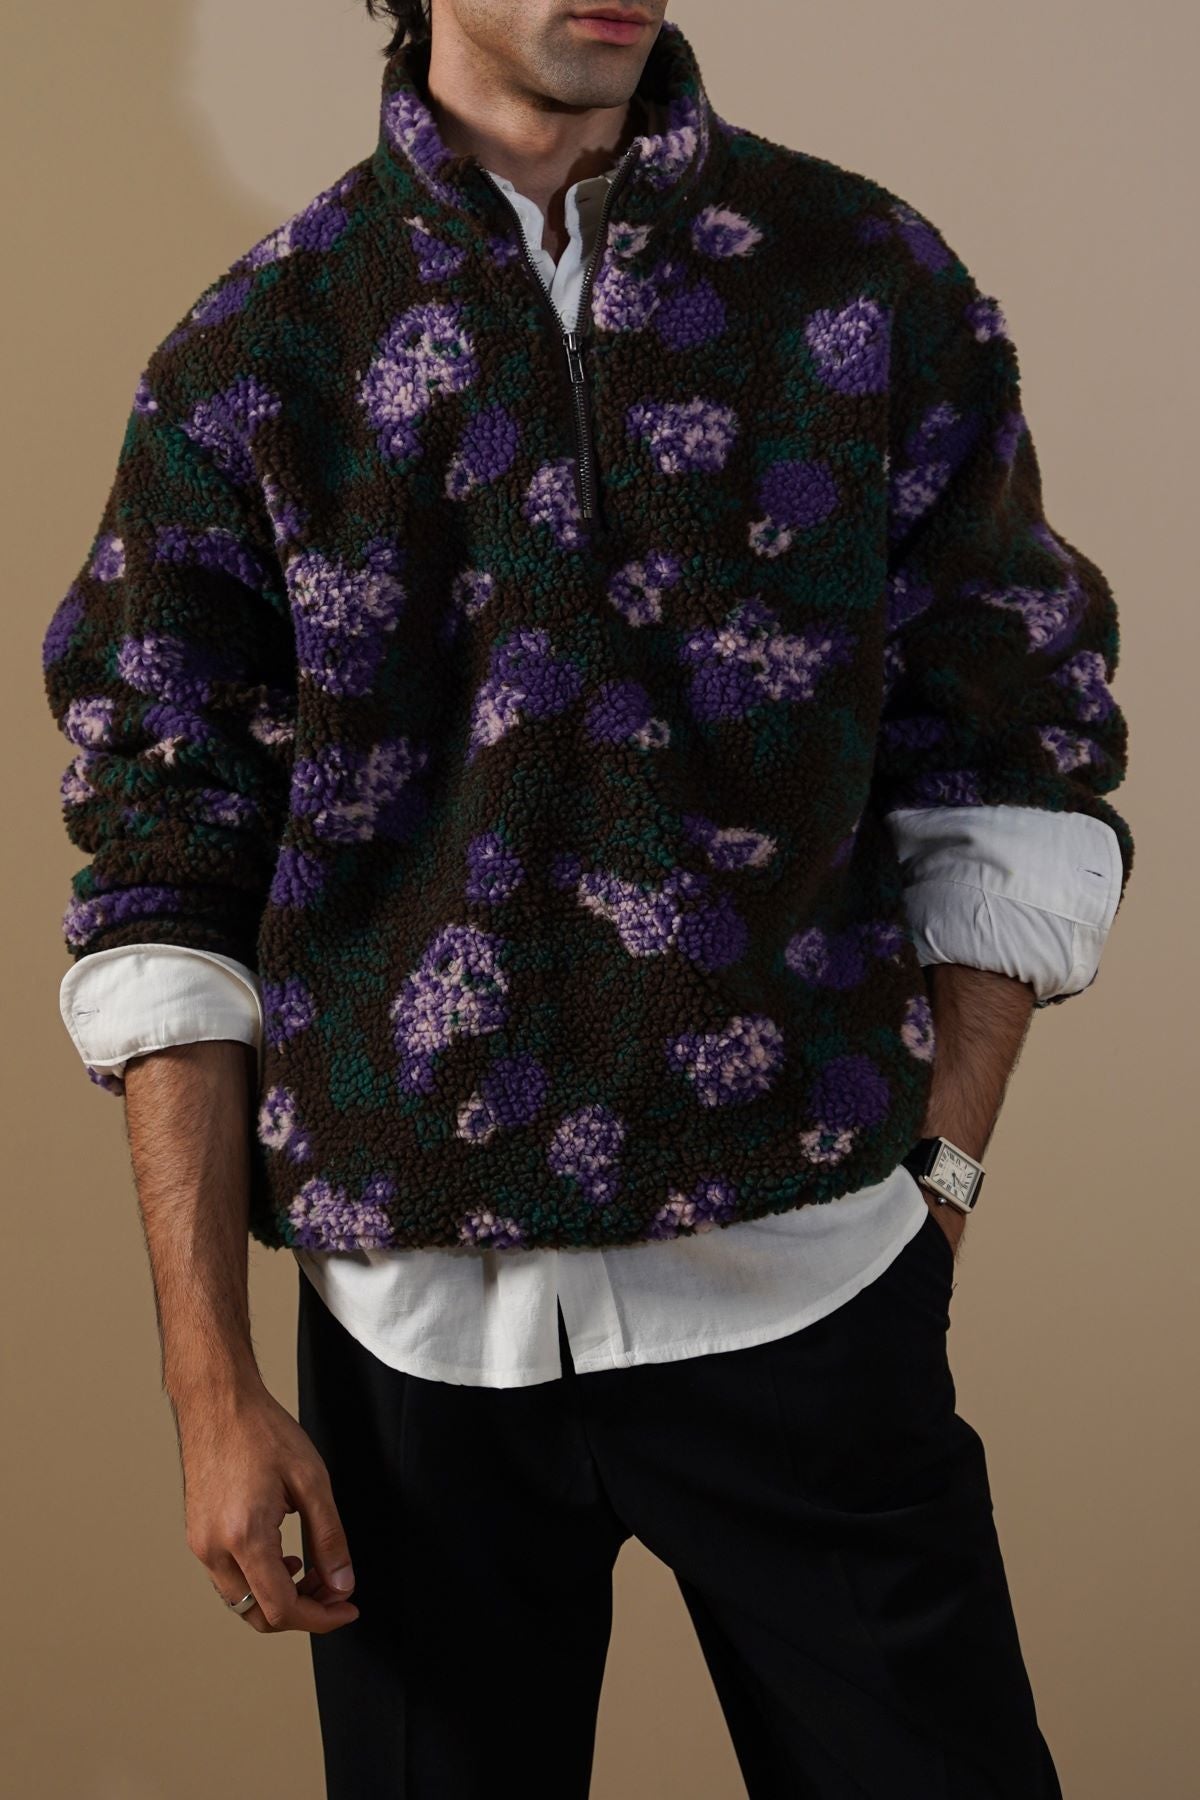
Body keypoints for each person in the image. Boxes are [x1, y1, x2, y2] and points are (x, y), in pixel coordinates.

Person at [40, 2, 1132, 1794]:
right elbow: (167, 868)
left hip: (805, 1289)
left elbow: (1012, 731)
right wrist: (208, 1381)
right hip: (413, 1346)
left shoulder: (863, 281)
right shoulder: (255, 353)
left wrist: (938, 1175)